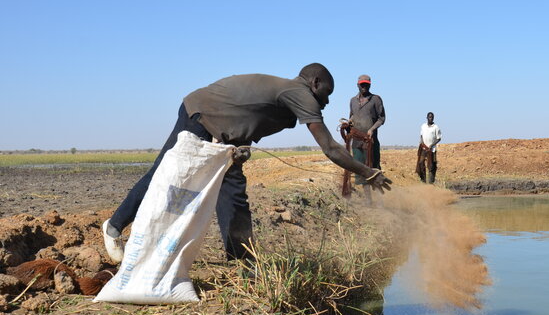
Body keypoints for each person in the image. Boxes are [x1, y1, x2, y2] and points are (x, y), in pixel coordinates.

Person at [102, 63, 392, 263]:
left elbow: (247, 112)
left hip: (223, 129)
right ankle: (114, 227)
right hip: (202, 114)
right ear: (315, 82)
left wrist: (239, 146)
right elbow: (329, 147)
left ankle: (241, 259)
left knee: (233, 193)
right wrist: (369, 173)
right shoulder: (300, 93)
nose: (326, 104)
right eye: (326, 94)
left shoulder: (289, 93)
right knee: (163, 176)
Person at [347, 75, 385, 187]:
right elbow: (352, 116)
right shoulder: (353, 101)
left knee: (373, 168)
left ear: (370, 85)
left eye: (366, 84)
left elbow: (381, 118)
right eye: (362, 84)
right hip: (356, 141)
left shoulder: (376, 99)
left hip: (370, 140)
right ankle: (367, 200)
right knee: (360, 169)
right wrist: (348, 122)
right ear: (358, 85)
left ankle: (380, 198)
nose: (364, 86)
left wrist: (372, 129)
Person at [417, 112, 441, 184]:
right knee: (420, 163)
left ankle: (431, 182)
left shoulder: (436, 127)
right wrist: (422, 142)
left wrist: (432, 145)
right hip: (424, 148)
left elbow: (439, 138)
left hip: (431, 149)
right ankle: (423, 180)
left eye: (432, 117)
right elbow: (421, 135)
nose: (431, 118)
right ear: (427, 117)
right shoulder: (423, 126)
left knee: (431, 166)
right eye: (429, 117)